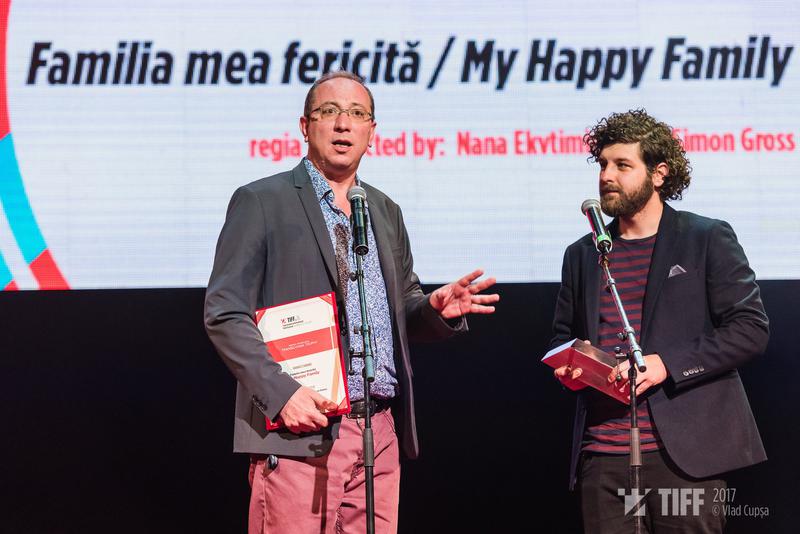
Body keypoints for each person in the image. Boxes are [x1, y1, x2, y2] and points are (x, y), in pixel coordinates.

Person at [204, 70, 499, 534]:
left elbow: (400, 305)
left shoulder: (383, 208)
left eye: (357, 114)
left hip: (379, 431)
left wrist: (434, 311)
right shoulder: (262, 201)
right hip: (301, 429)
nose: (343, 125)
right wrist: (282, 395)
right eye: (329, 112)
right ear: (305, 125)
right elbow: (224, 312)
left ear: (372, 131)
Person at [551, 109, 768, 533]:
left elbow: (750, 329)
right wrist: (573, 367)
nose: (606, 176)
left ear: (659, 173)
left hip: (685, 459)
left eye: (622, 165)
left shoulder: (705, 238)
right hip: (604, 459)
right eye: (602, 164)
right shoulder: (582, 254)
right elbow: (562, 338)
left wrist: (666, 363)